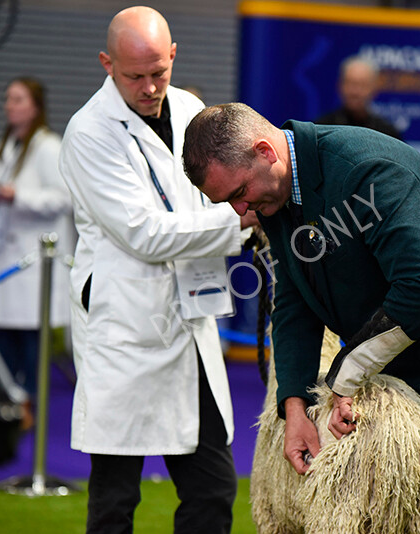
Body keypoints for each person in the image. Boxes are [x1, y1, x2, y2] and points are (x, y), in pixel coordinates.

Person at [182, 102, 420, 533]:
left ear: (265, 151)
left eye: (239, 193)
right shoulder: (277, 195)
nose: (242, 214)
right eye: (229, 203)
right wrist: (294, 406)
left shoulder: (367, 169)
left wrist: (344, 377)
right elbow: (294, 298)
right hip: (406, 364)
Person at [58, 7, 257, 534]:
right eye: (134, 76)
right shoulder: (88, 132)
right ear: (107, 63)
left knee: (214, 490)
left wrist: (239, 209)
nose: (149, 87)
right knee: (114, 504)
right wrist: (241, 217)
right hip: (124, 332)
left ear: (174, 56)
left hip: (191, 317)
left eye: (158, 73)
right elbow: (143, 234)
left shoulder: (192, 108)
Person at [0, 76, 73, 430]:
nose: (10, 105)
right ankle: (9, 404)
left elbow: (64, 198)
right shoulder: (4, 145)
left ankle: (29, 407)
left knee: (30, 340)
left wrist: (17, 196)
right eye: (8, 98)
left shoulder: (48, 146)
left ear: (35, 106)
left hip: (33, 263)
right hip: (4, 261)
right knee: (4, 336)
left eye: (18, 99)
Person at [315, 56, 401, 139]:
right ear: (340, 86)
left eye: (362, 85)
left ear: (374, 89)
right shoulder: (321, 130)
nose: (355, 92)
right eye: (350, 83)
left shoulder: (388, 134)